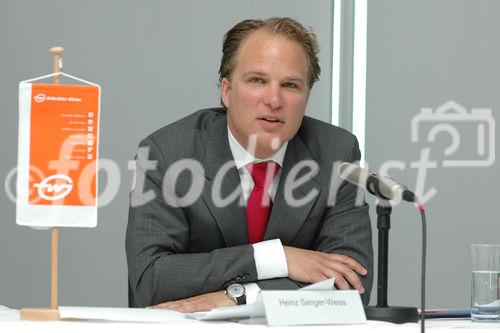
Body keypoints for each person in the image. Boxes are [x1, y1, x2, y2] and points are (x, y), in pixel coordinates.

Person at [126, 17, 373, 312]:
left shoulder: (336, 153)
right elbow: (151, 281)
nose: (274, 99)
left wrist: (236, 297)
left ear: (307, 96)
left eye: (291, 85)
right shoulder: (168, 153)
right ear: (226, 91)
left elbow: (351, 286)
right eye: (257, 80)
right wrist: (278, 259)